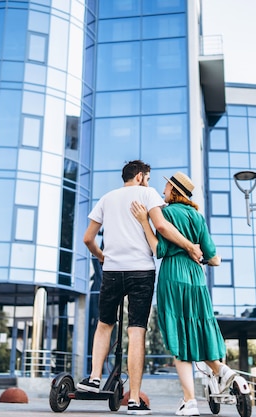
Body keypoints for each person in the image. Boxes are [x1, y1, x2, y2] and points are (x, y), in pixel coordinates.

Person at [78, 161, 203, 416]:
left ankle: (93, 378)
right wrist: (190, 246)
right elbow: (162, 227)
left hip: (112, 270)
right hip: (141, 272)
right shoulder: (148, 194)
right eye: (147, 177)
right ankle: (133, 399)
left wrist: (102, 257)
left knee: (104, 324)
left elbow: (87, 239)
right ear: (139, 176)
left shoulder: (107, 198)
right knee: (136, 332)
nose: (149, 182)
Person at [131, 171, 237, 416]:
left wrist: (143, 221)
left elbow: (158, 247)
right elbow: (215, 259)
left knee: (179, 337)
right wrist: (200, 255)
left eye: (167, 185)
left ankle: (190, 402)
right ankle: (222, 370)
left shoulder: (165, 213)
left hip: (173, 275)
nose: (164, 188)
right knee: (198, 329)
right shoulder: (197, 217)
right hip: (196, 278)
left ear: (174, 190)